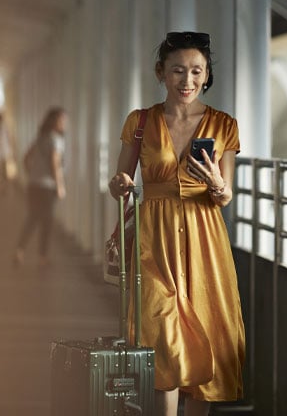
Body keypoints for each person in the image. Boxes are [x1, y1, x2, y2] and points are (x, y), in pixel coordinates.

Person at [108, 32, 245, 416]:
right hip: (155, 240)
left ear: (207, 76)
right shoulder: (140, 121)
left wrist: (218, 184)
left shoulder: (224, 125)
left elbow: (225, 195)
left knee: (207, 333)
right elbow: (119, 182)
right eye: (178, 71)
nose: (187, 81)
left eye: (196, 71)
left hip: (205, 240)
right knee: (163, 337)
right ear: (161, 73)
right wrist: (120, 184)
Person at [14, 107, 67, 267]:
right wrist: (60, 185)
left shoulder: (40, 138)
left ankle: (20, 250)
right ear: (55, 121)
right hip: (47, 186)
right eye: (63, 120)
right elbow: (55, 163)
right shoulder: (56, 139)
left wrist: (32, 173)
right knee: (47, 221)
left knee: (32, 218)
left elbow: (25, 158)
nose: (65, 124)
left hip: (33, 184)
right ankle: (42, 256)